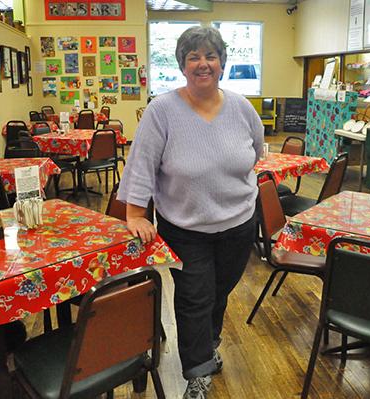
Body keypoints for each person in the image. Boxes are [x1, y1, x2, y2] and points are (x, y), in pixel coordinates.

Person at [118, 26, 264, 398]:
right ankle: (198, 371)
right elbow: (141, 165)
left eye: (210, 56)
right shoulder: (162, 111)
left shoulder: (241, 107)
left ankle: (209, 343)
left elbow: (257, 150)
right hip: (186, 227)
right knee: (195, 296)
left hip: (239, 222)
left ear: (222, 64)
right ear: (182, 65)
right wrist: (135, 214)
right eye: (194, 57)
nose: (203, 63)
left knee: (219, 290)